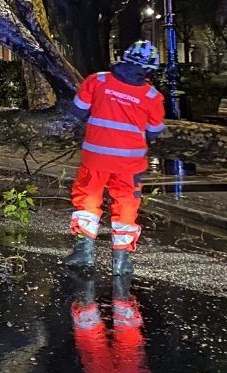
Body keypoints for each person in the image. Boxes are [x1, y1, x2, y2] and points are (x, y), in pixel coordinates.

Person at [62, 41, 166, 275]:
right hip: (130, 164)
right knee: (127, 205)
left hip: (96, 157)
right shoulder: (152, 96)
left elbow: (78, 110)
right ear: (150, 69)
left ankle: (84, 253)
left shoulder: (97, 81)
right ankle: (122, 261)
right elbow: (155, 131)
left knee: (87, 200)